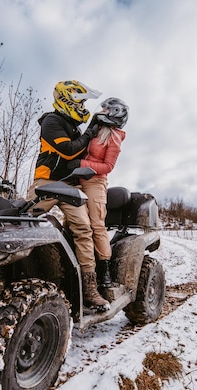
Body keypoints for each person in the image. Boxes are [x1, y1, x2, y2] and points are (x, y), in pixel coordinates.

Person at [26, 80, 110, 311]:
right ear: (67, 100)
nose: (83, 106)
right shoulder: (52, 121)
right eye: (80, 101)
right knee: (22, 222)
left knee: (83, 229)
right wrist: (90, 131)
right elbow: (69, 149)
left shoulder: (74, 127)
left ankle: (89, 288)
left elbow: (83, 152)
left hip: (71, 186)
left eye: (84, 102)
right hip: (46, 181)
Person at [67, 97, 129, 287]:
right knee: (72, 222)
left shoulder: (114, 137)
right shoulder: (96, 130)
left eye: (105, 109)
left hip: (95, 182)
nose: (101, 111)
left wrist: (81, 164)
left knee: (96, 225)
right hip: (76, 179)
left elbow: (108, 166)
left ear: (115, 113)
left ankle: (104, 271)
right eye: (101, 108)